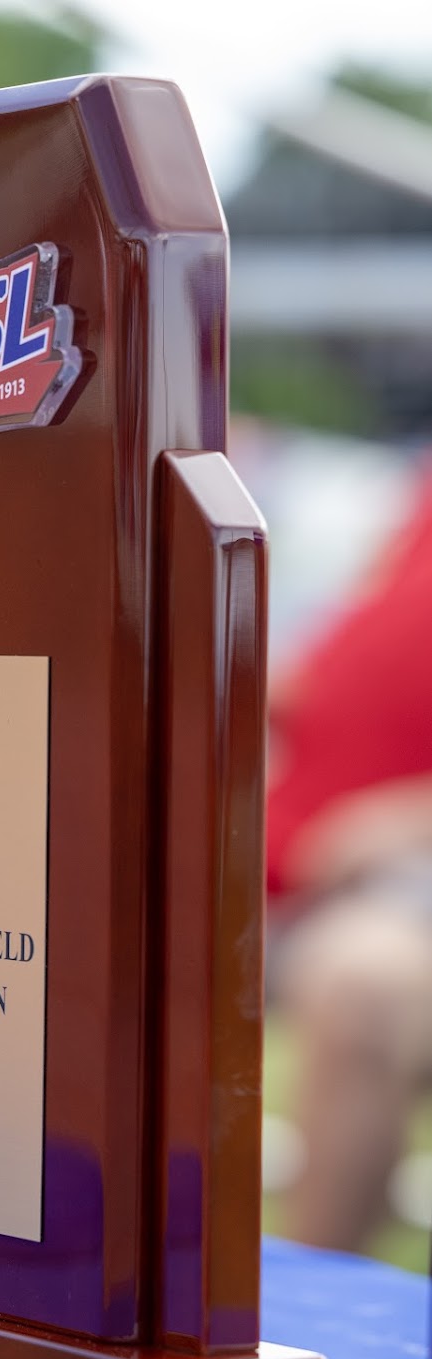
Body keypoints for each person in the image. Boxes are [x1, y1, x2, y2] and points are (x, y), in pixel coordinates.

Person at [269, 464, 432, 1251]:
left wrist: (402, 818)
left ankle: (316, 1290)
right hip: (288, 863)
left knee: (361, 984)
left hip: (396, 879)